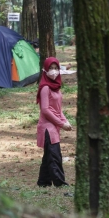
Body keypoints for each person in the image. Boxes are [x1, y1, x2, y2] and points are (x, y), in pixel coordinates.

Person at [36, 57, 72, 187]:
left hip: (54, 126)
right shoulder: (45, 88)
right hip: (47, 128)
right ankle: (60, 183)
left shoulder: (56, 88)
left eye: (56, 68)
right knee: (54, 156)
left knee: (48, 156)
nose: (54, 71)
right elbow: (45, 110)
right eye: (50, 68)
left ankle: (43, 182)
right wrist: (61, 124)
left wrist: (65, 120)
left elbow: (58, 109)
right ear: (45, 70)